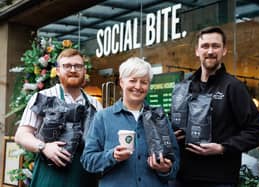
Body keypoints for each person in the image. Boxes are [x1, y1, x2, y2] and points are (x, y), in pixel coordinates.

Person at [171, 26, 259, 187]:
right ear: (197, 51)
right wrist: (171, 135)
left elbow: (258, 131)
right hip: (181, 178)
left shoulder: (233, 87)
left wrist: (223, 148)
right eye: (205, 46)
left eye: (215, 46)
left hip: (219, 180)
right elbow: (174, 123)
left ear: (224, 50)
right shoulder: (184, 87)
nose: (210, 51)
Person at [81, 57, 180, 187]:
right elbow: (87, 161)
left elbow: (176, 162)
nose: (138, 86)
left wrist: (166, 169)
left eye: (144, 82)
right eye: (132, 80)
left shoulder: (159, 118)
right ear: (121, 82)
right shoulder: (103, 117)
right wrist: (112, 156)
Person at [15, 48, 103, 187]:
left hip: (84, 178)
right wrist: (44, 147)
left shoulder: (95, 104)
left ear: (84, 71)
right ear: (58, 70)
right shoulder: (42, 97)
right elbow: (21, 135)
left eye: (78, 66)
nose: (73, 70)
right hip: (49, 177)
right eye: (67, 66)